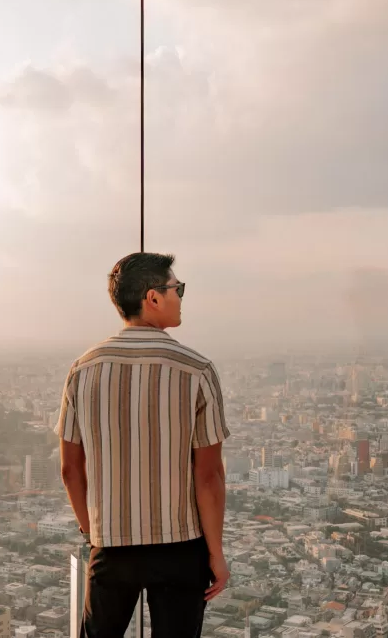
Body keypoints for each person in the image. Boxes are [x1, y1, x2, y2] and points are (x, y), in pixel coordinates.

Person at [55, 252, 231, 638]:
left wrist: (94, 533)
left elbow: (70, 469)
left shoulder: (83, 370)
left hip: (111, 546)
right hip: (181, 546)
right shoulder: (196, 370)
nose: (181, 297)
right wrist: (215, 554)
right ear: (153, 298)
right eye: (176, 289)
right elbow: (209, 476)